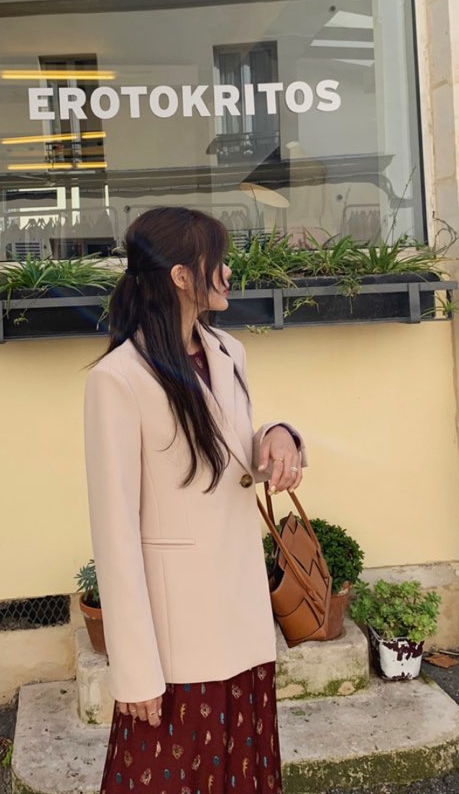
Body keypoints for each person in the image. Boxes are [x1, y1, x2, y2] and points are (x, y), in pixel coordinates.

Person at [83, 207, 307, 794]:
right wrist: (134, 670)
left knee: (242, 775)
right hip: (177, 636)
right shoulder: (118, 378)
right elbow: (114, 532)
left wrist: (279, 436)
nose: (229, 272)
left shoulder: (228, 350)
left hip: (241, 613)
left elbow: (234, 452)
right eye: (218, 260)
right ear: (181, 276)